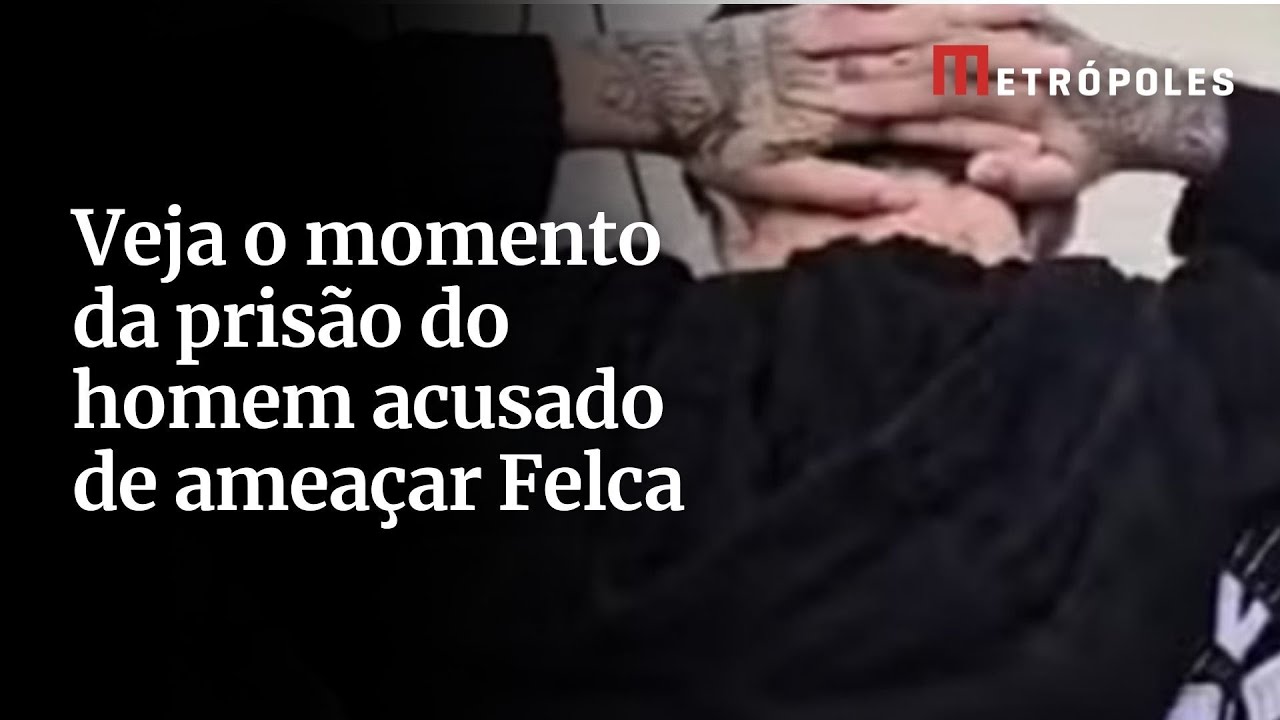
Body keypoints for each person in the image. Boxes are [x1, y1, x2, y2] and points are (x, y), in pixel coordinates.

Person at [56, 5, 1276, 719]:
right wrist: (1132, 98)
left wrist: (637, 90)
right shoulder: (1217, 379)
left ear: (717, 186)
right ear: (1045, 187)